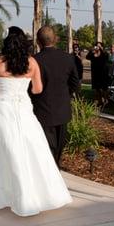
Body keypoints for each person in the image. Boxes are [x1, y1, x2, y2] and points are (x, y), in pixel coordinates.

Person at [0, 29, 72, 217]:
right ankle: (33, 193)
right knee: (30, 149)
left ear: (6, 43)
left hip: (1, 109)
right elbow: (38, 89)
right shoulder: (31, 63)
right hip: (23, 110)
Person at [30, 26, 81, 166]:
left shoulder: (34, 61)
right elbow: (75, 84)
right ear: (56, 39)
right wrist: (66, 96)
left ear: (38, 42)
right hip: (62, 111)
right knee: (58, 149)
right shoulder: (68, 58)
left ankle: (51, 178)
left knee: (45, 150)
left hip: (42, 110)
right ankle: (55, 174)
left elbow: (30, 88)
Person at [86, 42, 110, 106]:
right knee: (97, 88)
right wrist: (91, 50)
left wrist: (101, 49)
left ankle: (106, 101)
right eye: (96, 46)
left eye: (99, 46)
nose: (97, 47)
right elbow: (87, 57)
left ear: (102, 47)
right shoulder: (93, 54)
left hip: (103, 73)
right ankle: (99, 101)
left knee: (104, 88)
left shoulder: (104, 54)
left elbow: (106, 56)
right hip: (95, 73)